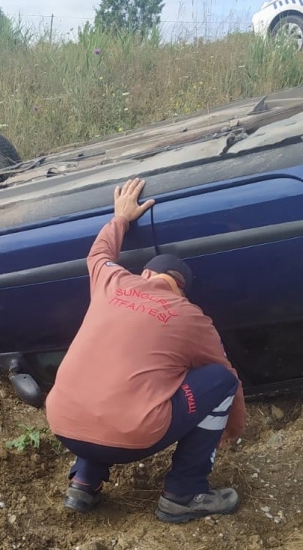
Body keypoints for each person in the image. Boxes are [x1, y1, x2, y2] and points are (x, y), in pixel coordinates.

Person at [45, 177, 246, 524]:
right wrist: (231, 429)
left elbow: (99, 253)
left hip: (63, 424)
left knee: (111, 372)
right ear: (181, 290)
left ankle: (84, 481)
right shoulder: (189, 316)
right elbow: (227, 378)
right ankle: (184, 493)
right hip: (129, 437)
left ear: (145, 273)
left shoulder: (112, 281)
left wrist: (121, 217)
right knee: (218, 379)